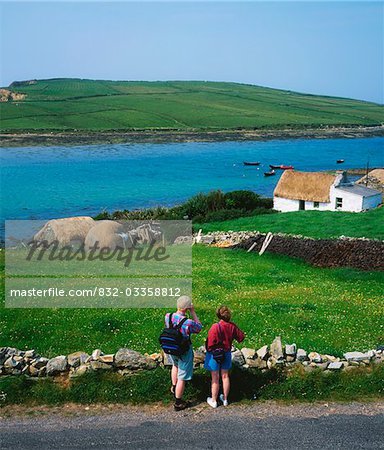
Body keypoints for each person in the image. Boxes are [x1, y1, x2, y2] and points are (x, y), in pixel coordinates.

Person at [165, 295, 202, 411]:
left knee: (175, 366)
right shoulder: (188, 323)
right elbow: (199, 328)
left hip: (171, 346)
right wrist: (193, 312)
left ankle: (174, 387)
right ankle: (178, 402)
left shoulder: (168, 316)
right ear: (187, 308)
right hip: (183, 350)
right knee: (182, 377)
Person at [204, 306, 245, 408]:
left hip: (215, 354)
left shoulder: (215, 327)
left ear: (218, 315)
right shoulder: (231, 326)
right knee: (225, 376)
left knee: (215, 377)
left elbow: (210, 343)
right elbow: (241, 337)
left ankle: (214, 400)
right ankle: (225, 399)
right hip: (226, 353)